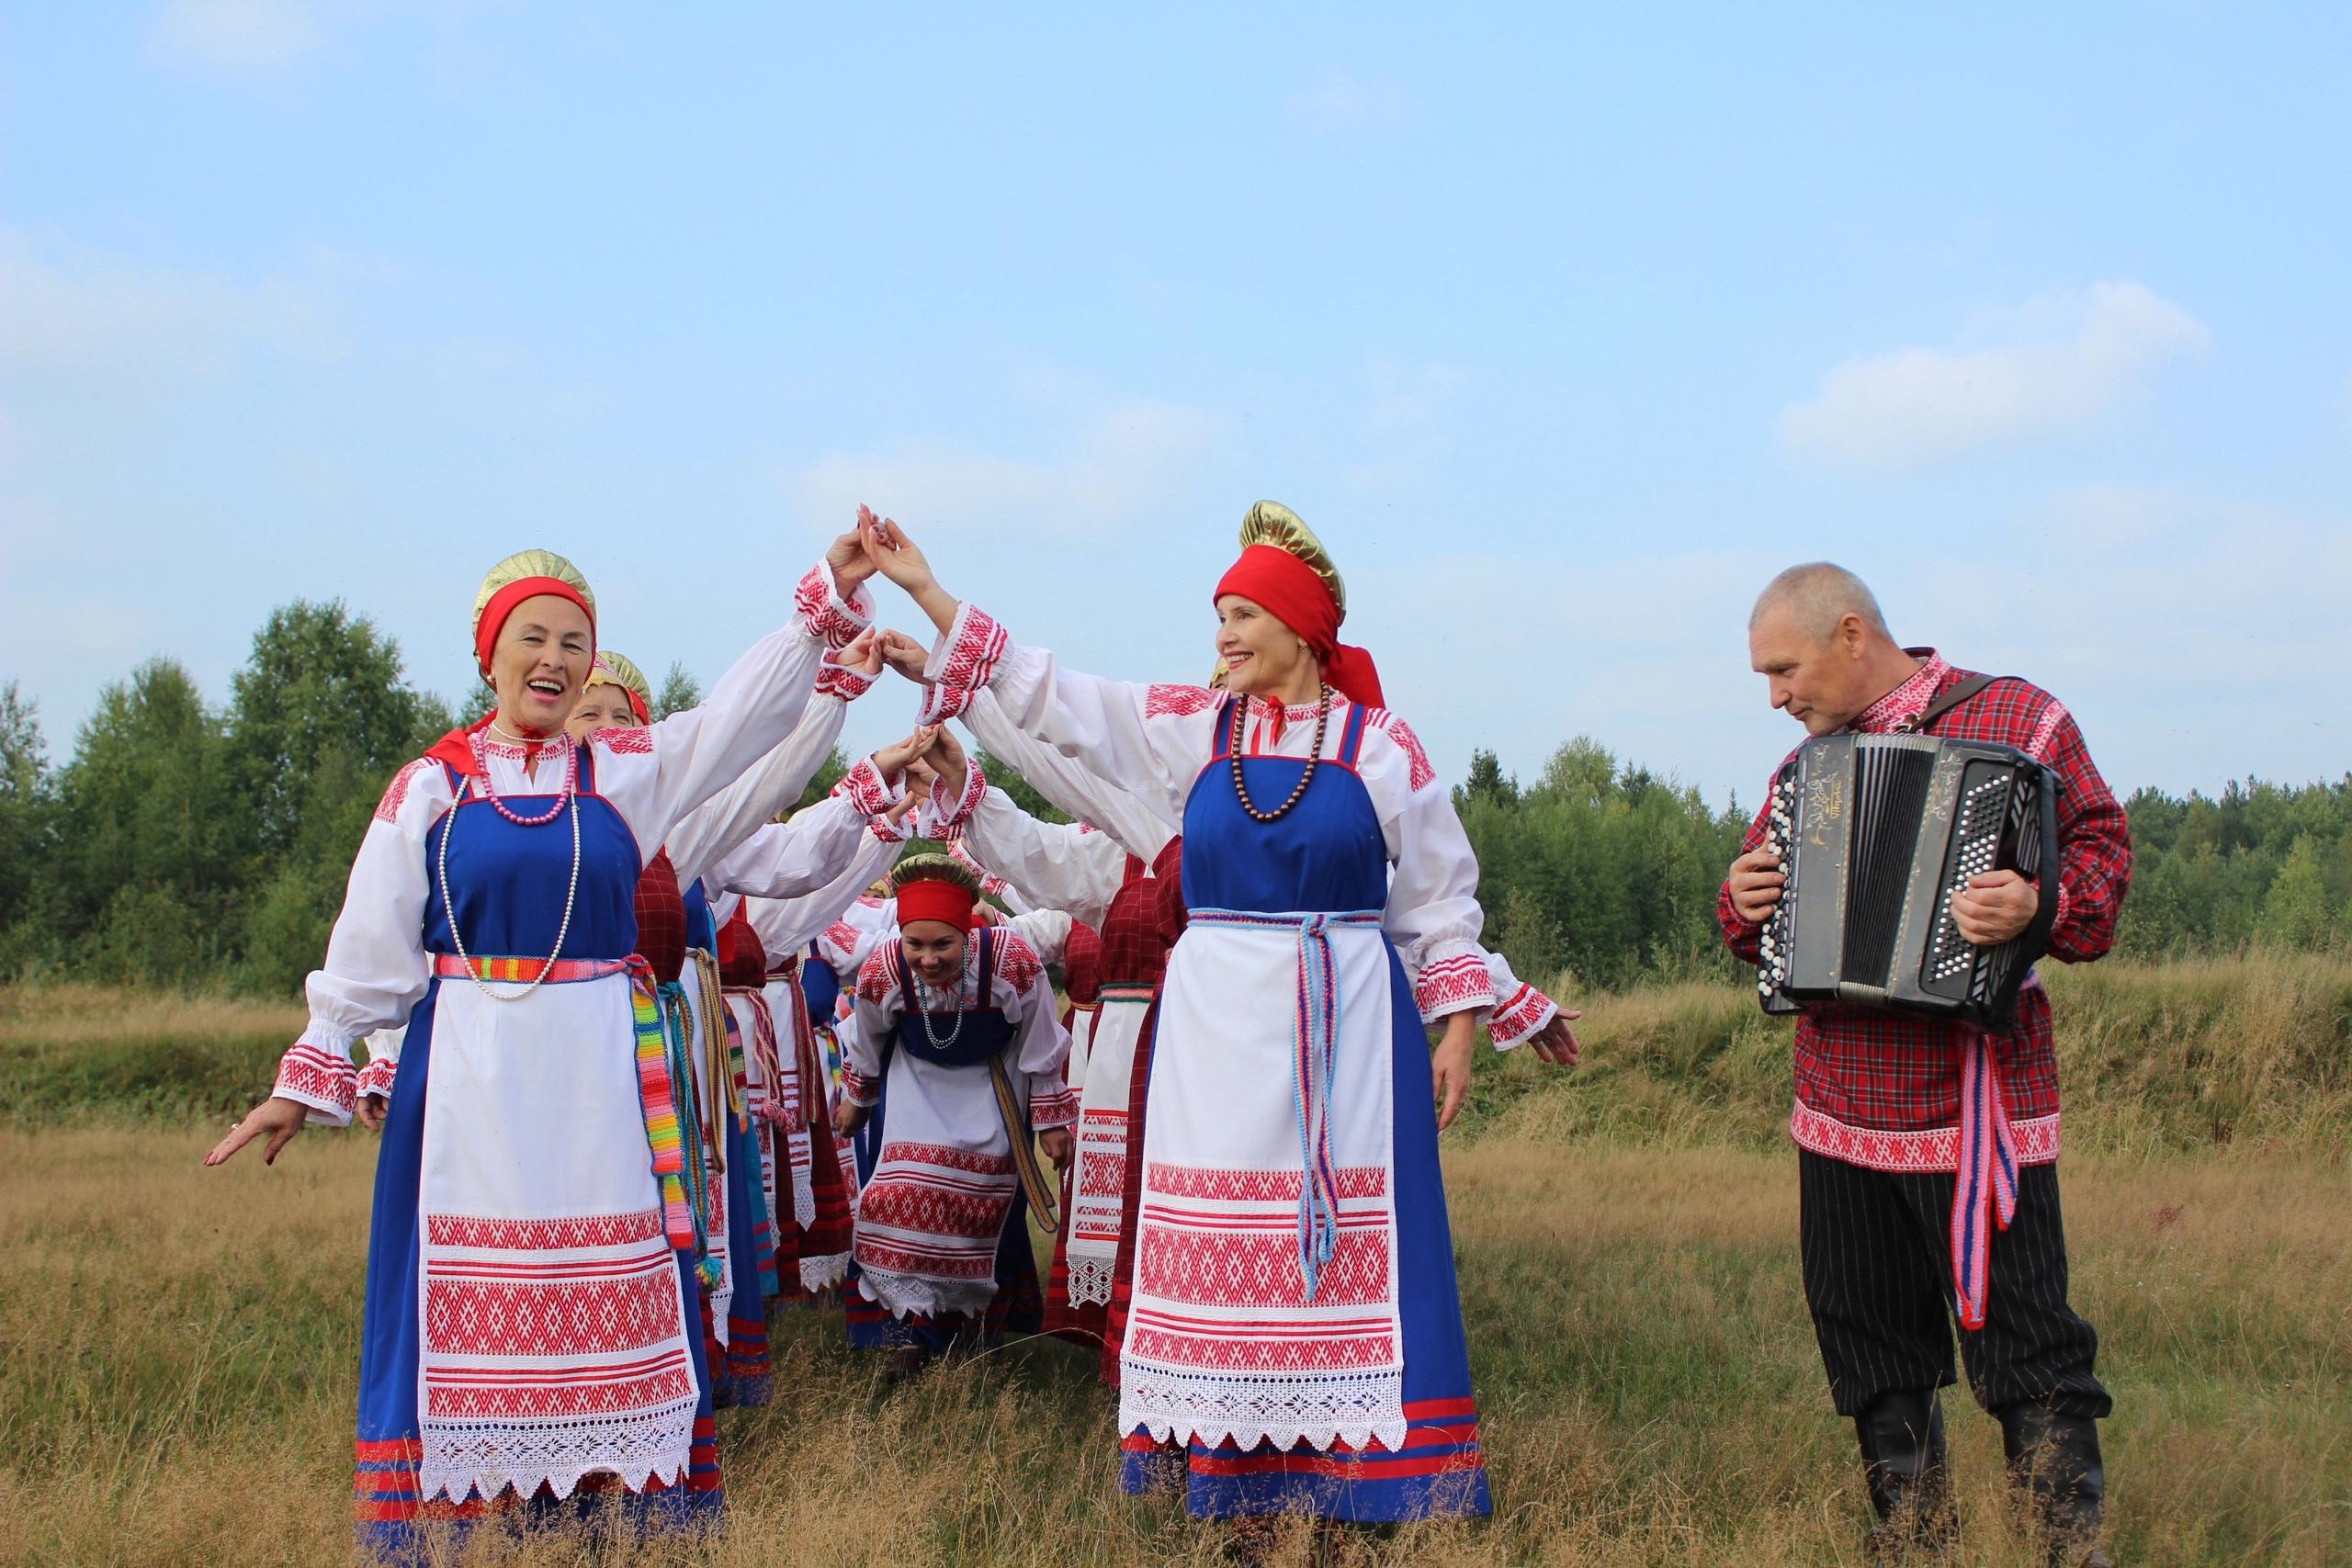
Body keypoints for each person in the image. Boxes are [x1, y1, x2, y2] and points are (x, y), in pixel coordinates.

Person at [205, 534, 879, 1559]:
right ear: (491, 654)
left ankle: (603, 1501)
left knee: (611, 1274)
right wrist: (312, 1070)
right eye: (534, 637)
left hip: (598, 1076)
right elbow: (372, 942)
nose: (554, 659)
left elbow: (733, 722)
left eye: (574, 641)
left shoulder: (621, 771)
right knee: (469, 1287)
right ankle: (485, 1507)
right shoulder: (431, 785)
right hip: (470, 1072)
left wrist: (820, 604)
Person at [860, 500, 1520, 1529]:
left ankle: (1359, 1491)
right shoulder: (1194, 729)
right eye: (1219, 615)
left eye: (1244, 614)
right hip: (1214, 1030)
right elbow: (1061, 700)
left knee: (1342, 1244)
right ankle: (1236, 1482)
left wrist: (1461, 1026)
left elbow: (1438, 894)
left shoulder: (1380, 742)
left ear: (1302, 629)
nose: (1223, 635)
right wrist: (928, 591)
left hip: (1342, 1017)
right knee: (1224, 1245)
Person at [1718, 563, 2131, 1567]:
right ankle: (1912, 1546)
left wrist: (2037, 906)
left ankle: (2064, 1551)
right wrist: (1742, 896)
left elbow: (2103, 856)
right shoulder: (1805, 772)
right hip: (1838, 1105)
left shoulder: (2019, 719)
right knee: (1869, 1342)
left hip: (1974, 1101)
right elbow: (1744, 924)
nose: (1774, 696)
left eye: (1783, 668)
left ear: (1850, 633)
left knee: (2028, 1343)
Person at [831, 854, 1077, 1378]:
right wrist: (857, 1098)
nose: (927, 959)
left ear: (967, 932)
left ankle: (973, 1331)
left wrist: (1052, 1117)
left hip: (994, 1082)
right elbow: (868, 1036)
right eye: (915, 944)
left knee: (979, 1207)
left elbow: (1040, 1035)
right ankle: (907, 1334)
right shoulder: (885, 967)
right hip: (916, 1084)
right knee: (897, 1197)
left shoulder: (1010, 960)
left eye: (942, 944)